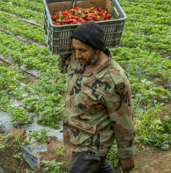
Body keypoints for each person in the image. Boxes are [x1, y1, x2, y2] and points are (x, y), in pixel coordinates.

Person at [58, 22, 135, 173]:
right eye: (75, 49)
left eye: (82, 50)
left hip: (92, 146)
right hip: (75, 134)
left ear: (97, 49)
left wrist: (126, 155)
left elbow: (123, 120)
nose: (77, 54)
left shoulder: (114, 80)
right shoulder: (77, 60)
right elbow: (63, 66)